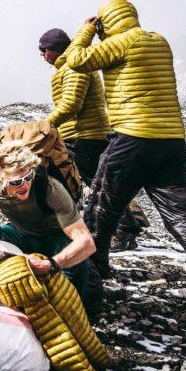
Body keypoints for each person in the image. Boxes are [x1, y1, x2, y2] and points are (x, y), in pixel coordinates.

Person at [66, 0, 186, 277]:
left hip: (134, 135)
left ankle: (94, 271)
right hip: (171, 139)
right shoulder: (158, 40)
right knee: (181, 212)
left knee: (101, 205)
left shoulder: (124, 41)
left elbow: (77, 60)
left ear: (106, 22)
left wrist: (86, 31)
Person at [0, 140, 96, 298]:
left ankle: (74, 305)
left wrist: (51, 264)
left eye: (28, 177)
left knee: (75, 271)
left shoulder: (51, 190)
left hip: (56, 238)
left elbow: (86, 242)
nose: (24, 185)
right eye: (16, 182)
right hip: (20, 232)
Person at [39, 27, 146, 251]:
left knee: (97, 184)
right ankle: (77, 227)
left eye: (44, 49)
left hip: (84, 137)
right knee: (88, 182)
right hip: (81, 135)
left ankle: (126, 228)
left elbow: (71, 104)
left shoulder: (74, 68)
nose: (42, 54)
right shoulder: (68, 67)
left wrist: (44, 127)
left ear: (56, 50)